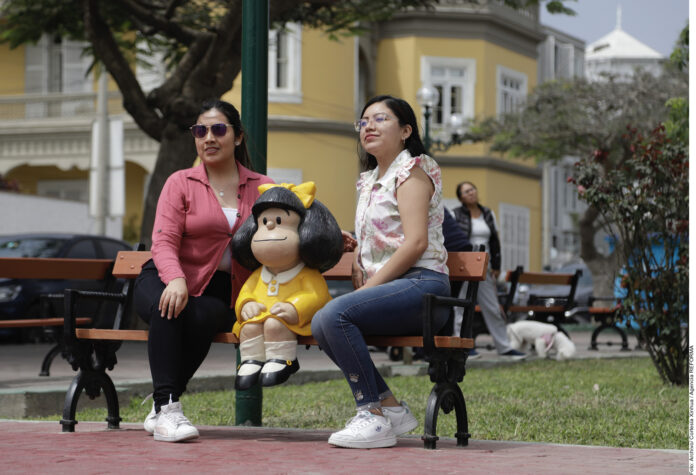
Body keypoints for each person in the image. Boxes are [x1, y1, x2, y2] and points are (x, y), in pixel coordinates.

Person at [311, 95, 451, 449]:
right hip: (396, 289)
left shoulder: (413, 171)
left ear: (406, 131)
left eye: (380, 119)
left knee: (334, 315)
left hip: (424, 287)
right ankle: (389, 407)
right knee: (321, 322)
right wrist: (357, 245)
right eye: (363, 121)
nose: (368, 126)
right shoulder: (372, 179)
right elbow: (387, 234)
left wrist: (369, 284)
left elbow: (416, 242)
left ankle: (372, 416)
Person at [133, 99, 274, 443]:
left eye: (218, 129)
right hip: (165, 276)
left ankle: (160, 406)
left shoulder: (263, 187)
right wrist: (176, 279)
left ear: (238, 137)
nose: (208, 137)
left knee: (203, 315)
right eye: (201, 131)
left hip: (220, 291)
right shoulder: (180, 182)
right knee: (168, 306)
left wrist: (333, 238)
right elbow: (163, 241)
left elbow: (290, 227)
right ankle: (168, 407)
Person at [230, 182, 343, 390]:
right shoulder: (258, 275)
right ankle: (251, 360)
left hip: (289, 320)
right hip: (260, 317)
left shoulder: (306, 274)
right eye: (264, 222)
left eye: (279, 220)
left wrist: (294, 307)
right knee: (250, 327)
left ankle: (283, 360)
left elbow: (316, 295)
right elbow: (246, 292)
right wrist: (246, 304)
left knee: (275, 325)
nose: (270, 227)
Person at [452, 181, 526, 360]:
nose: (471, 193)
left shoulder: (488, 213)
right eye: (466, 191)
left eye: (473, 189)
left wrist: (497, 266)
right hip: (465, 264)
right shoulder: (456, 214)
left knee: (492, 307)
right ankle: (462, 345)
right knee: (461, 306)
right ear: (461, 197)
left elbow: (494, 242)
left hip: (484, 264)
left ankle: (504, 347)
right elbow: (455, 240)